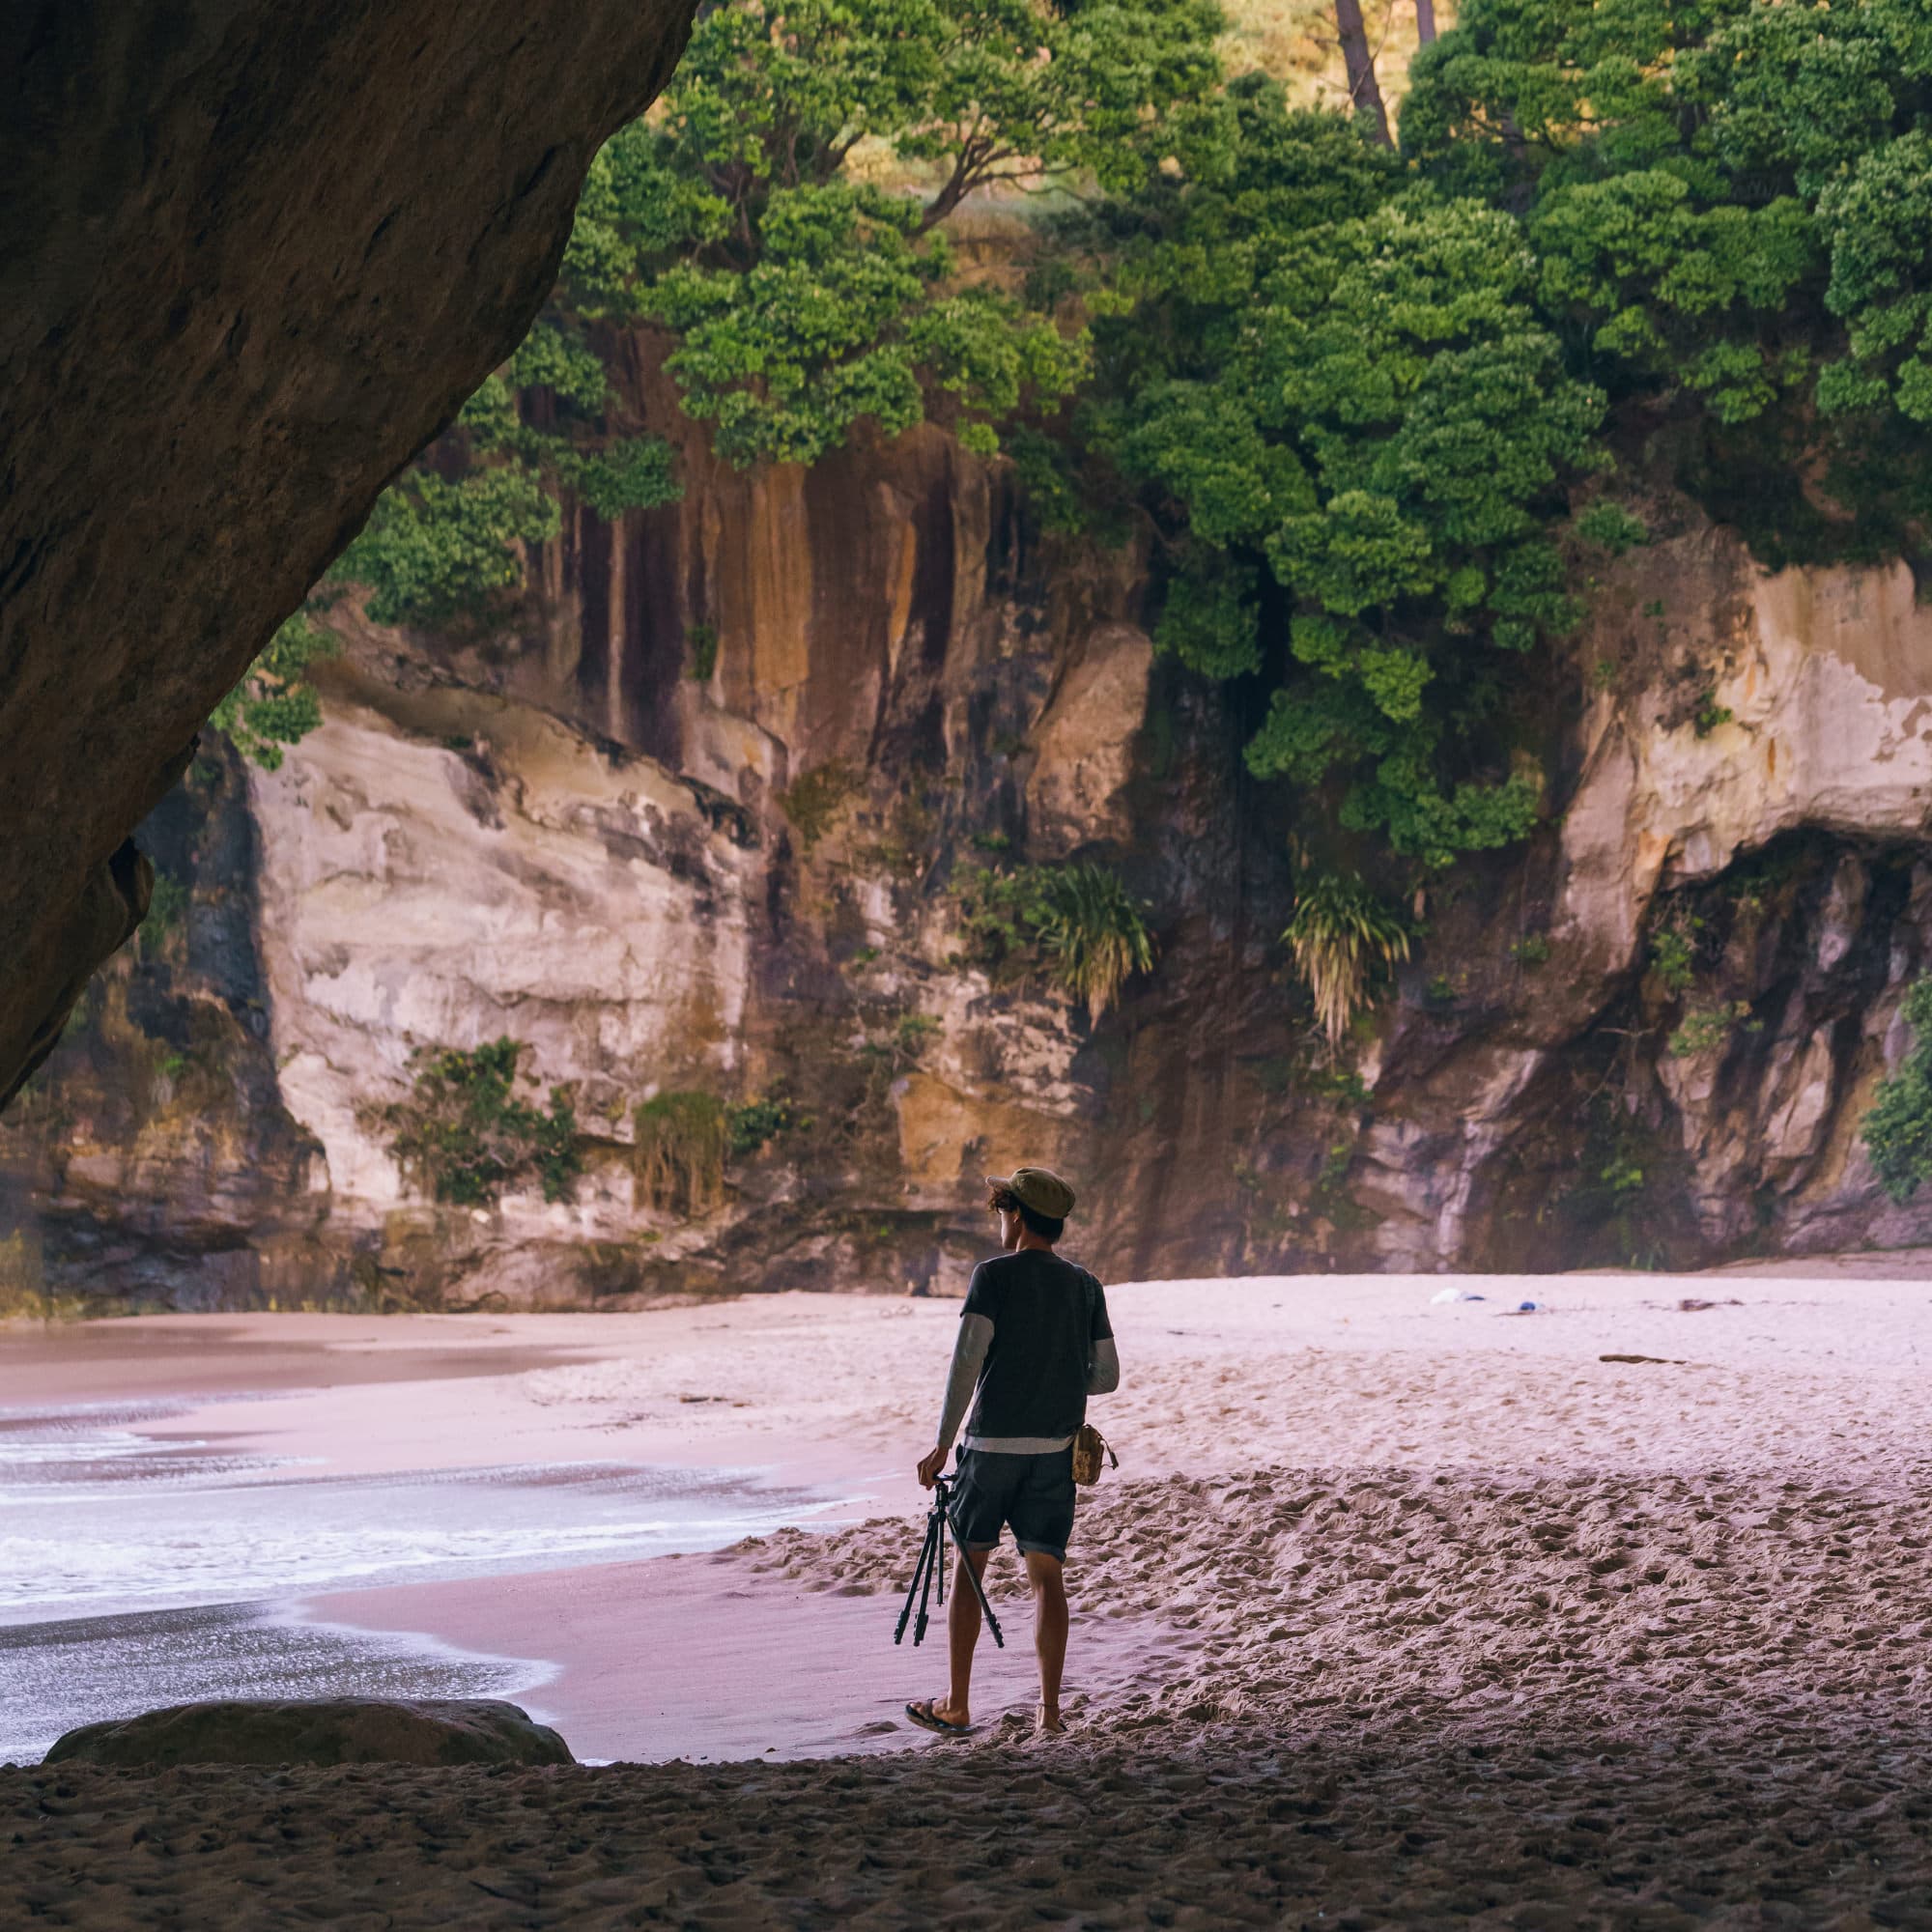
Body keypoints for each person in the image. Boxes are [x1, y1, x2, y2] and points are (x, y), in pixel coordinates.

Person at [906, 1166, 1120, 1738]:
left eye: (1003, 1211)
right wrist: (1057, 1376)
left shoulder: (992, 1276)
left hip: (989, 1451)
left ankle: (956, 1704)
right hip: (1054, 1452)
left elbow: (966, 1364)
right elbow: (1107, 1377)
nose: (1001, 1222)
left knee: (969, 1569)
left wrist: (942, 1444)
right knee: (1047, 1576)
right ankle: (1050, 1714)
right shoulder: (1085, 1286)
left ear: (1017, 1216)